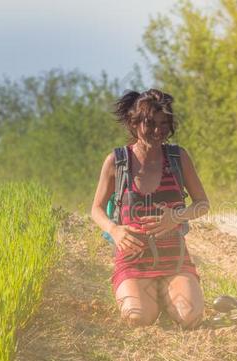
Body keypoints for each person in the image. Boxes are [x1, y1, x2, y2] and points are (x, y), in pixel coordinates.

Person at [90, 88, 210, 329]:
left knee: (191, 318)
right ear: (134, 124)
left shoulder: (178, 157)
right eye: (150, 123)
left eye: (164, 123)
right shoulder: (117, 161)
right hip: (133, 260)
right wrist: (115, 231)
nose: (158, 130)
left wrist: (176, 216)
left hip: (174, 258)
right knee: (139, 317)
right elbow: (96, 209)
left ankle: (166, 291)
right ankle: (152, 294)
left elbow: (202, 204)